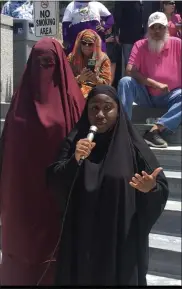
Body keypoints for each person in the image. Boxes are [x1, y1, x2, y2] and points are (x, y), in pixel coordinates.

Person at [47, 85, 169, 286]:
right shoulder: (76, 142)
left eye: (107, 107)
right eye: (94, 108)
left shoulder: (134, 147)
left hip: (120, 240)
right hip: (82, 239)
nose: (100, 114)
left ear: (118, 110)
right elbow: (54, 181)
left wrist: (150, 189)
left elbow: (159, 186)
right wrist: (74, 160)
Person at [0, 37, 85, 286]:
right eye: (39, 62)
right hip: (22, 195)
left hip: (58, 194)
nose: (43, 69)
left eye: (48, 63)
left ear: (58, 64)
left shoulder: (73, 101)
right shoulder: (18, 104)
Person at [117, 12, 182, 148]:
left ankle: (155, 131)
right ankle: (123, 130)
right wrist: (155, 84)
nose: (157, 31)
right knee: (125, 82)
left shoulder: (178, 44)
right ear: (148, 29)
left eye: (160, 27)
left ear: (167, 28)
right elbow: (130, 70)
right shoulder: (140, 44)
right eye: (153, 27)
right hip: (145, 94)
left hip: (172, 95)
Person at [114, 1, 161, 68]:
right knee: (129, 63)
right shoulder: (123, 2)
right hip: (128, 36)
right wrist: (116, 33)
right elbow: (117, 17)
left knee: (143, 62)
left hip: (144, 36)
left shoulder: (149, 3)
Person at [68, 29, 111, 98]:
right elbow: (67, 80)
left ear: (95, 44)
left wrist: (95, 79)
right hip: (76, 88)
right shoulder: (72, 57)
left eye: (90, 44)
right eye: (84, 43)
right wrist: (79, 79)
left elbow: (107, 84)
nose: (86, 46)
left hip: (96, 89)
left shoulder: (103, 58)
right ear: (80, 43)